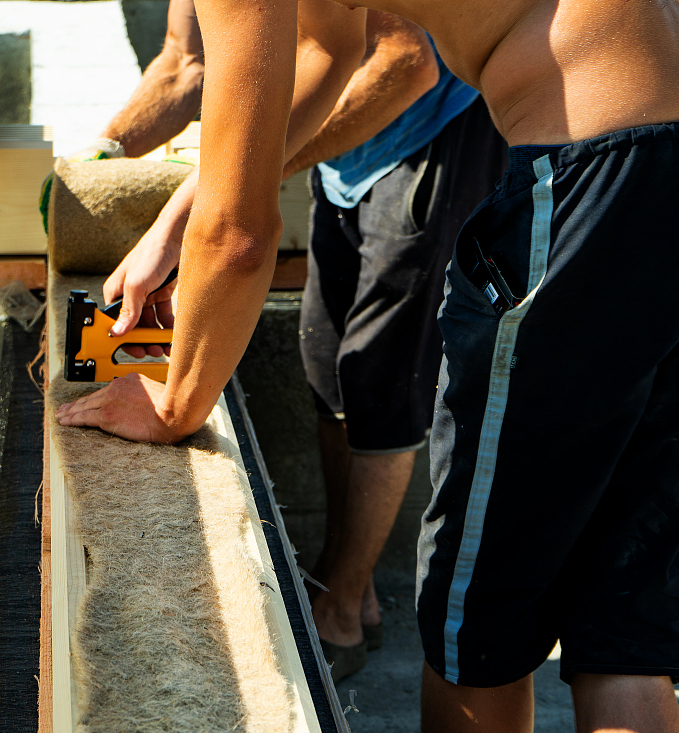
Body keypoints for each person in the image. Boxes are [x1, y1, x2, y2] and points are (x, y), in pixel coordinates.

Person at [56, 0, 679, 733]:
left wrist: (174, 404)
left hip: (593, 164)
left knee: (477, 623)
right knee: (623, 623)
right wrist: (184, 207)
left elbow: (240, 235)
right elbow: (330, 56)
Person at [68, 3, 509, 681]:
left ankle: (340, 609)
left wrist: (175, 407)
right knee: (329, 362)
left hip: (434, 130)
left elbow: (403, 62)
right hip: (348, 148)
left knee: (381, 376)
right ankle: (347, 587)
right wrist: (105, 159)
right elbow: (191, 65)